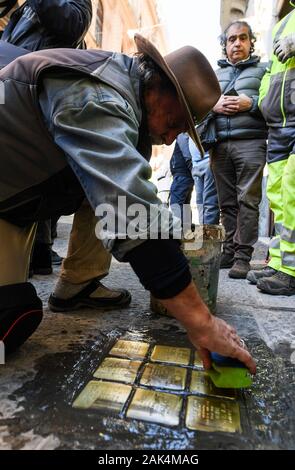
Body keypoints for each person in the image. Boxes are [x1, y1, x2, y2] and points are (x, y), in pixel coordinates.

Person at [0, 34, 256, 374]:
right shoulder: (95, 94)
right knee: (12, 316)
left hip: (13, 204)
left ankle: (77, 284)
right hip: (11, 198)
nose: (169, 138)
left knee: (15, 313)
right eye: (176, 123)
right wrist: (202, 322)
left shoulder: (128, 103)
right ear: (159, 87)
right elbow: (128, 208)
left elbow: (136, 195)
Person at [1, 1, 131, 307]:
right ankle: (78, 278)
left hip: (28, 102)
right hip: (18, 104)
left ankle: (75, 276)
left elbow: (71, 23)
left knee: (103, 168)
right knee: (106, 170)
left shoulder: (71, 6)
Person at [247, 1, 295, 296]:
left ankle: (293, 270)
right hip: (279, 122)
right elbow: (271, 69)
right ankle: (279, 262)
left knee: (293, 188)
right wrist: (266, 101)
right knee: (277, 194)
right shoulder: (284, 21)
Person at [211, 21, 268, 279]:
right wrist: (213, 106)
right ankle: (230, 250)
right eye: (232, 39)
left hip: (251, 143)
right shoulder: (214, 74)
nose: (237, 43)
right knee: (227, 203)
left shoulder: (264, 71)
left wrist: (252, 103)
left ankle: (243, 256)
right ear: (225, 45)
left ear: (250, 42)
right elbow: (198, 104)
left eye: (242, 38)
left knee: (248, 200)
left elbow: (272, 103)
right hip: (220, 145)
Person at [188, 139, 219, 225]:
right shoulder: (189, 127)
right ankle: (204, 233)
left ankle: (210, 236)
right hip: (196, 166)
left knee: (210, 202)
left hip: (208, 162)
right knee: (200, 203)